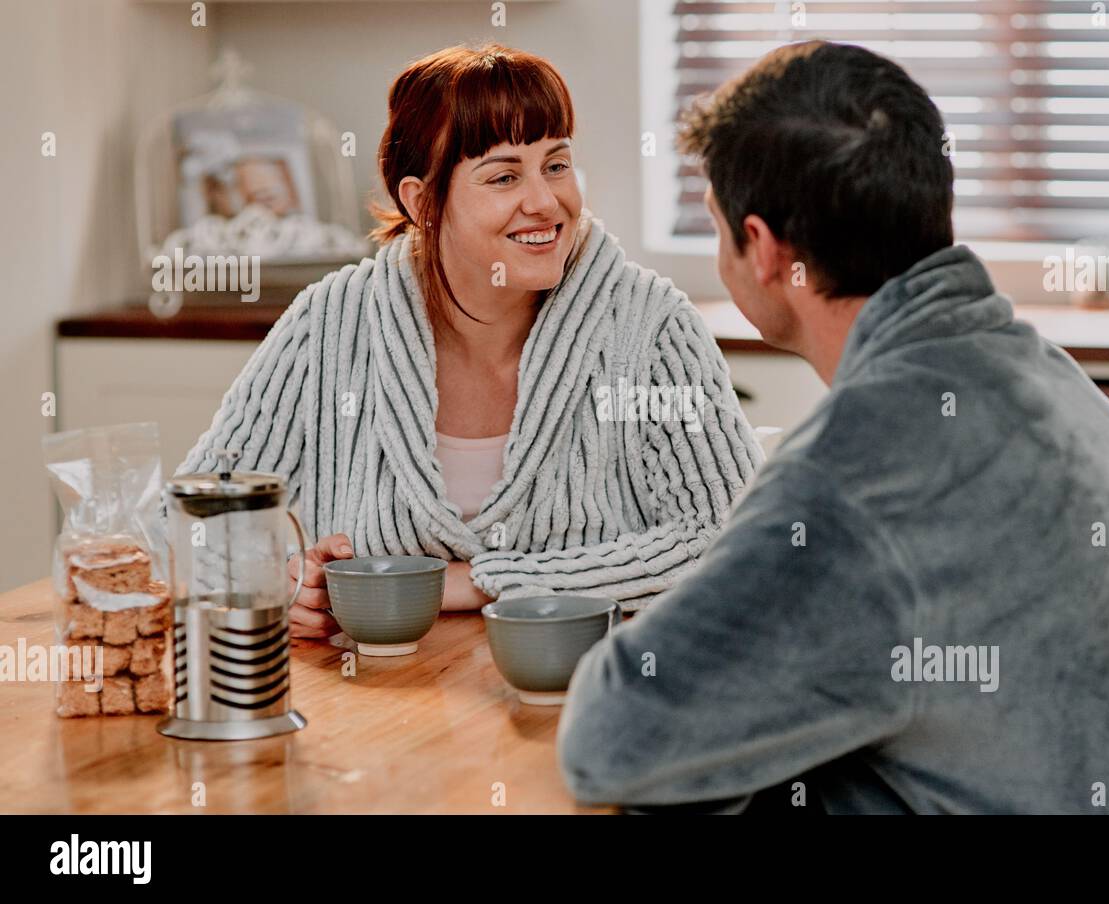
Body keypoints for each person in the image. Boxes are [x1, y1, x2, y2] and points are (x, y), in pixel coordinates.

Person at [557, 41, 1109, 814]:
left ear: (768, 250)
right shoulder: (1037, 371)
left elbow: (611, 741)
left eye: (719, 229)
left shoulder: (866, 468)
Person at [177, 44, 762, 633]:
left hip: (592, 694)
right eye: (505, 176)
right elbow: (195, 523)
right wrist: (280, 585)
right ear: (421, 201)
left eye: (556, 164)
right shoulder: (332, 322)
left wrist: (471, 582)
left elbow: (731, 541)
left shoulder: (652, 326)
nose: (544, 202)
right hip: (383, 700)